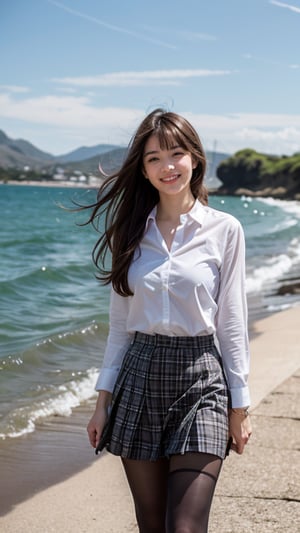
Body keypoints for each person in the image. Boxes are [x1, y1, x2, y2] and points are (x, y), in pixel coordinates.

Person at [87, 108, 252, 533]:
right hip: (139, 377)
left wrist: (240, 405)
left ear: (195, 158)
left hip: (202, 381)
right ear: (143, 171)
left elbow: (232, 321)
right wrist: (102, 403)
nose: (168, 166)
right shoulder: (129, 233)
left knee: (186, 527)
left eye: (176, 153)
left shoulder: (225, 230)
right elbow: (120, 327)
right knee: (152, 526)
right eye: (154, 158)